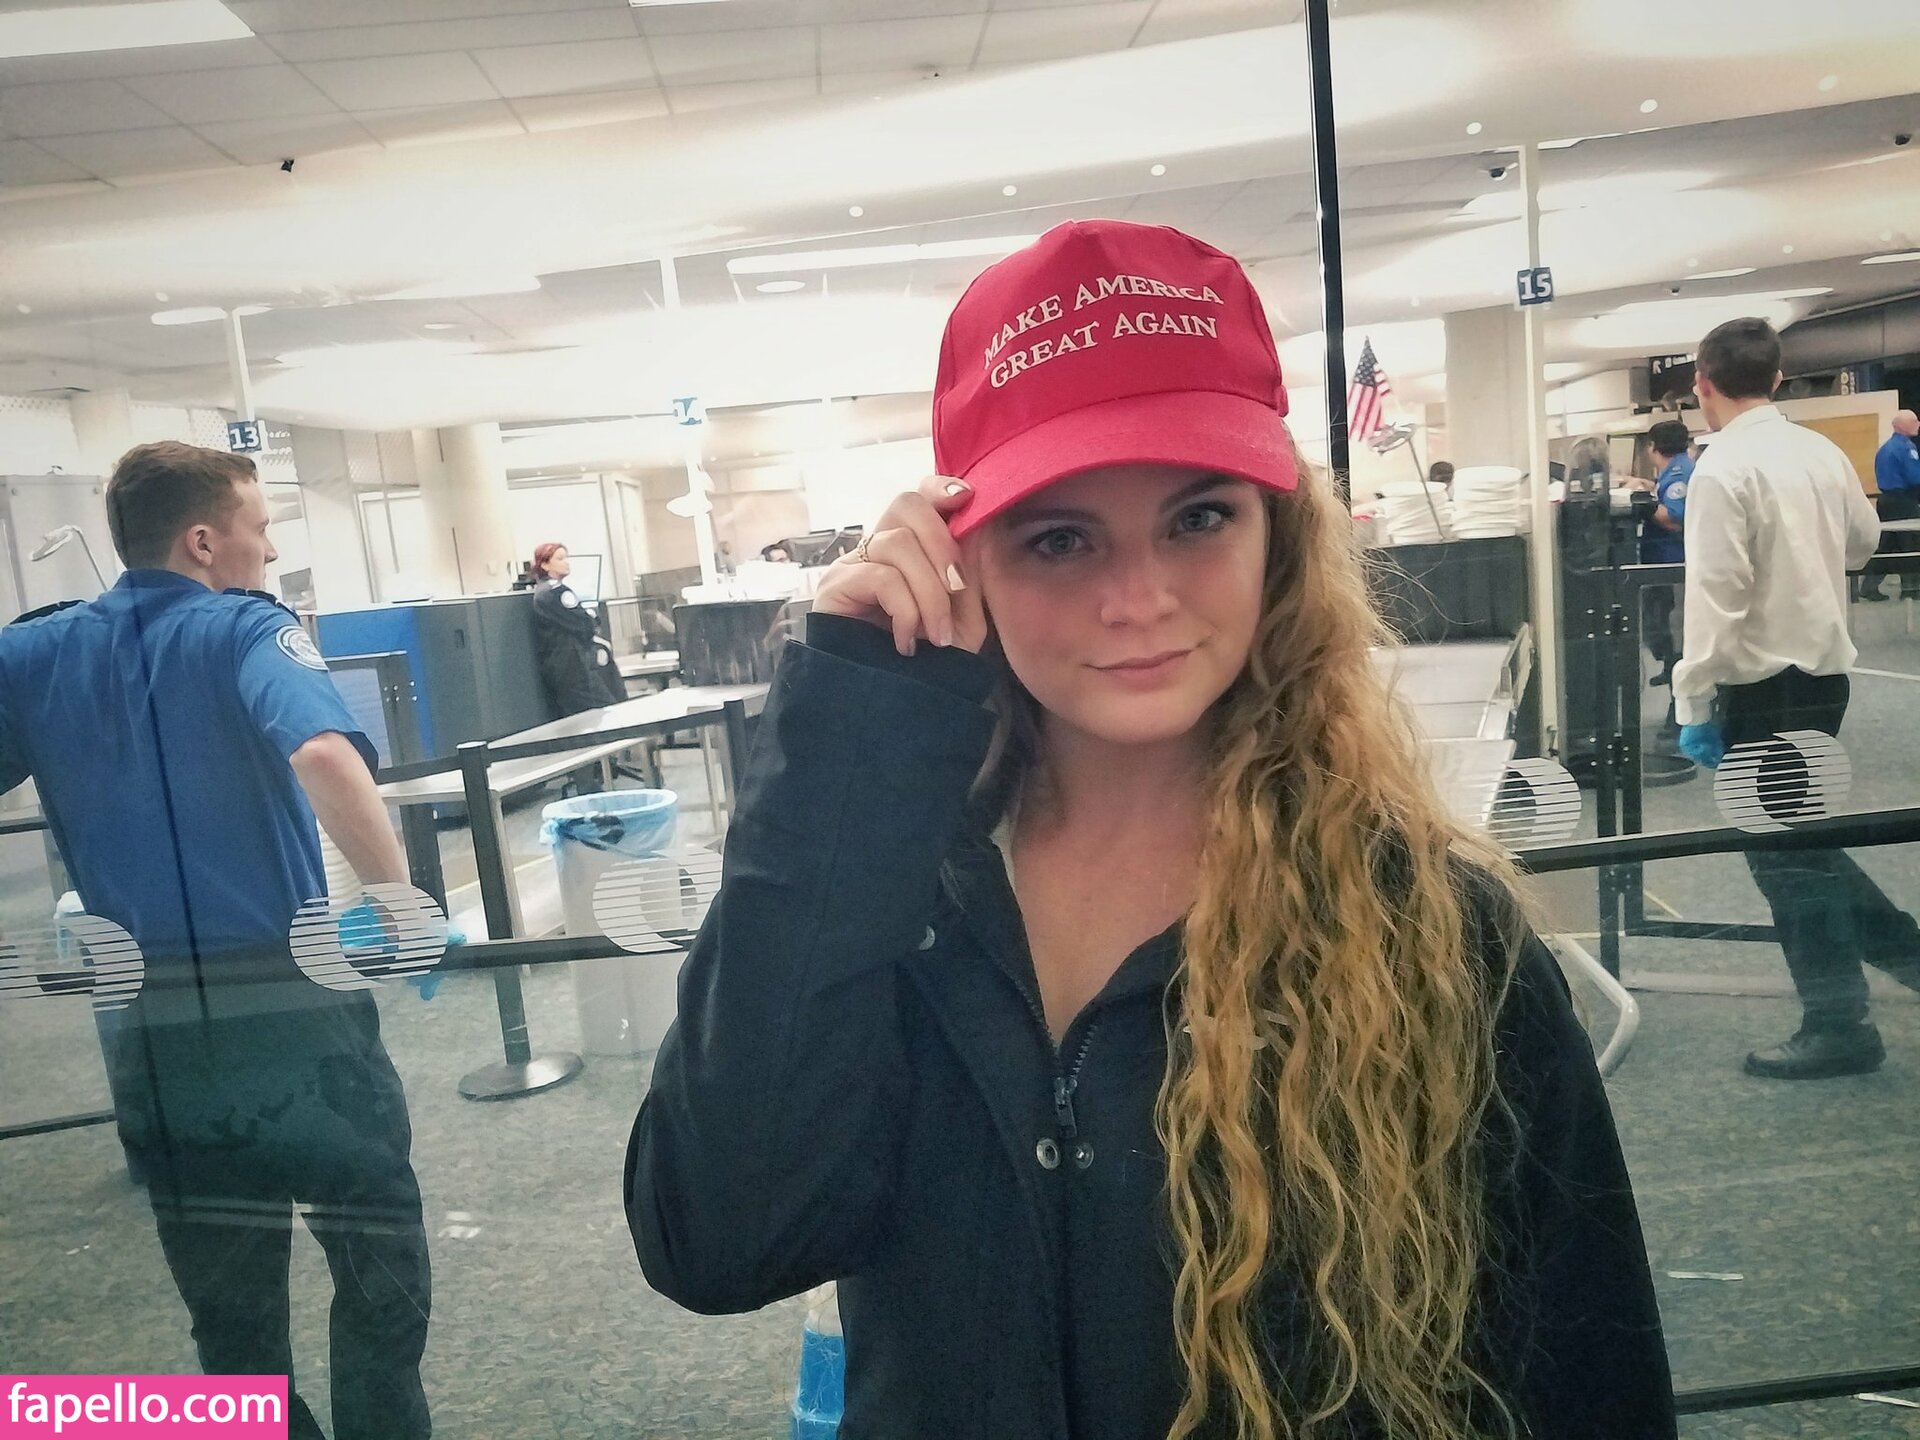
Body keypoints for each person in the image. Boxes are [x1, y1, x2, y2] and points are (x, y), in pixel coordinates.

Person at [627, 221, 1673, 1440]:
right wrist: (848, 743)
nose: (1138, 600)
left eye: (1197, 518)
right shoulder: (892, 893)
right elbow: (720, 1241)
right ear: (966, 557)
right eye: (1060, 538)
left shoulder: (1431, 935)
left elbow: (1585, 1384)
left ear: (1277, 536)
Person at [0, 443, 431, 1438]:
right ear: (203, 541)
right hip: (290, 1010)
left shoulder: (32, 654)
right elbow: (322, 751)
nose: (269, 551)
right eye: (261, 528)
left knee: (230, 1316)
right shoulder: (244, 628)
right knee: (378, 1261)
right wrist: (400, 902)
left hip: (152, 1030)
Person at [1672, 320, 1920, 1079]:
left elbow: (1716, 596)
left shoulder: (1721, 468)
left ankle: (1839, 1025)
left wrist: (1692, 701)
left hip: (1761, 690)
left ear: (1702, 383)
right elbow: (1863, 544)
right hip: (1823, 682)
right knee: (1800, 844)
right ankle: (1906, 960)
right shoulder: (1818, 451)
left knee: (1786, 861)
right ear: (1777, 378)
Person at [528, 540, 625, 717]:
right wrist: (592, 618)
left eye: (566, 557)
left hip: (563, 668)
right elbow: (585, 624)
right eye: (560, 558)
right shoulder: (556, 592)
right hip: (574, 668)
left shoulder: (542, 592)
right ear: (544, 564)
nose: (566, 562)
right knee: (605, 713)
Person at [1640, 419, 1693, 689]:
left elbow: (1674, 519)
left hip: (1671, 561)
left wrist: (1642, 506)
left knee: (1672, 625)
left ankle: (1677, 683)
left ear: (1653, 446)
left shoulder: (1678, 473)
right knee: (1661, 621)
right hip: (1663, 559)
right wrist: (1643, 486)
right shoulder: (1676, 468)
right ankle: (1669, 666)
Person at [1862, 409, 1920, 601]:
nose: (1918, 424)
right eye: (1914, 421)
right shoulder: (1907, 448)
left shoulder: (1884, 449)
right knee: (1911, 543)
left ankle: (1868, 586)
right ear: (1901, 426)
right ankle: (1912, 588)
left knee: (1886, 545)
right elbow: (1915, 477)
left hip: (1886, 501)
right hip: (1904, 501)